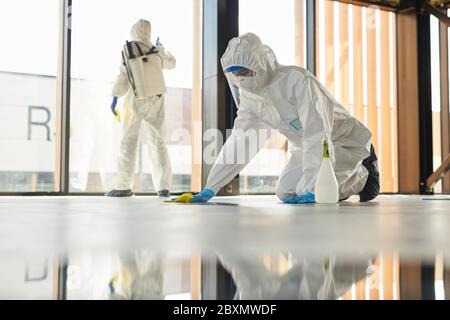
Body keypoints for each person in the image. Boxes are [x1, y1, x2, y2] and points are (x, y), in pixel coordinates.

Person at [190, 33, 379, 204]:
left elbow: (317, 131)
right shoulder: (251, 98)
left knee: (317, 192)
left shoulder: (297, 81)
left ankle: (364, 173)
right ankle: (335, 183)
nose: (242, 78)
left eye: (245, 71)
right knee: (285, 192)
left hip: (343, 142)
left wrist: (314, 189)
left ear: (260, 65)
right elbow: (240, 141)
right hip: (306, 147)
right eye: (236, 73)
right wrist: (211, 187)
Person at [106, 19, 176, 198]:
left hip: (135, 99)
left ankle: (123, 186)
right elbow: (172, 64)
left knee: (129, 141)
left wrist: (115, 97)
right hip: (157, 99)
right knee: (158, 142)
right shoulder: (157, 50)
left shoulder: (129, 49)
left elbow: (123, 77)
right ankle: (163, 187)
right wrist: (162, 48)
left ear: (134, 31)